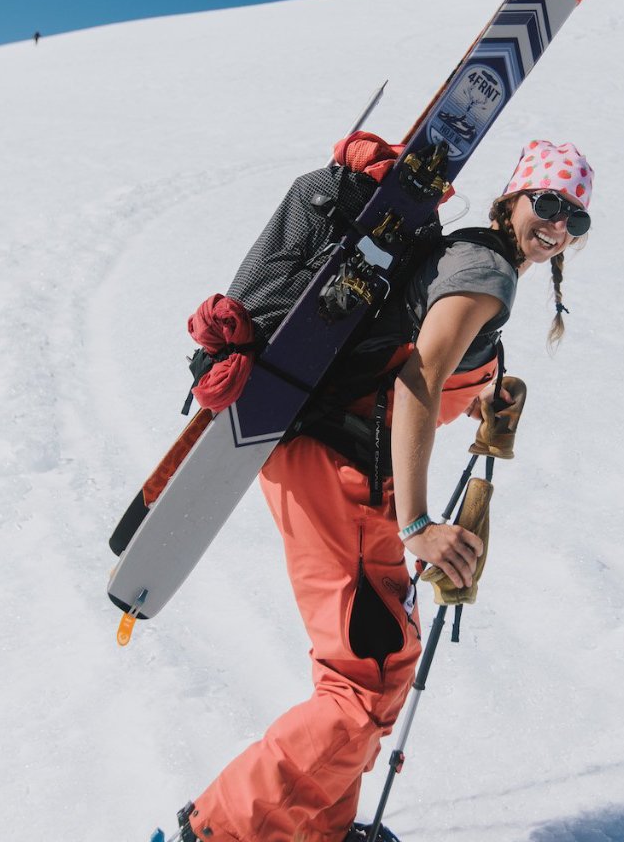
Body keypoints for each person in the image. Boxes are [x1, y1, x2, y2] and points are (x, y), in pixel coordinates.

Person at [173, 139, 594, 842]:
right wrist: (420, 523)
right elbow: (416, 382)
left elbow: (413, 358)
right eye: (547, 203)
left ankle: (320, 830)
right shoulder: (486, 270)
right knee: (362, 682)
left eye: (575, 218)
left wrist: (488, 396)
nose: (558, 225)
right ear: (511, 198)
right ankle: (217, 831)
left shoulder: (471, 259)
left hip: (335, 468)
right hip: (342, 474)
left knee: (376, 665)